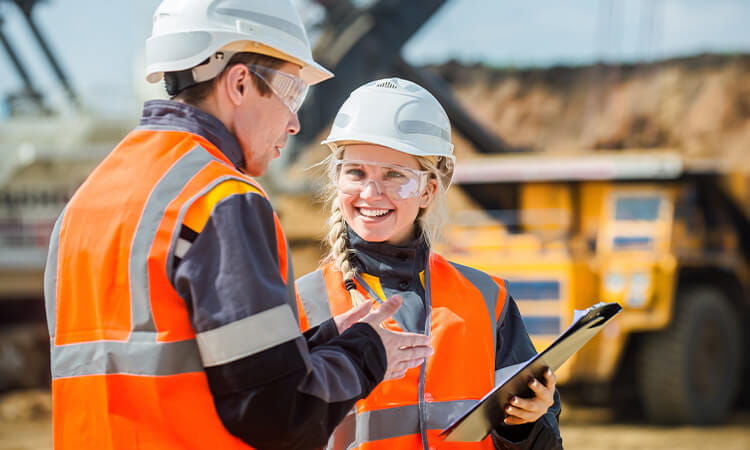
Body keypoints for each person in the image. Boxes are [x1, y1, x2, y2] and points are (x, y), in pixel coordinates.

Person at [43, 2, 432, 449]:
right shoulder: (221, 199)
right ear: (240, 82)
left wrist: (318, 342)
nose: (295, 121)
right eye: (291, 91)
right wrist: (367, 354)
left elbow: (177, 359)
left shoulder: (88, 201)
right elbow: (277, 411)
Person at [295, 78, 563, 449]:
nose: (371, 193)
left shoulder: (487, 300)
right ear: (337, 178)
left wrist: (525, 423)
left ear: (428, 190)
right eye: (356, 172)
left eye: (395, 175)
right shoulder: (302, 303)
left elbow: (540, 442)